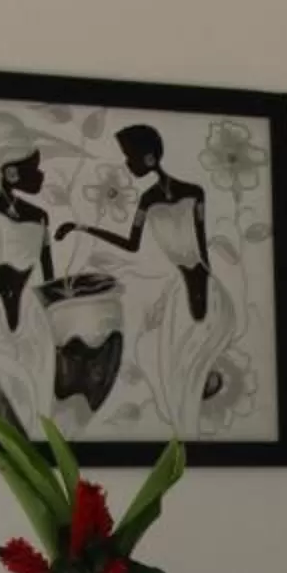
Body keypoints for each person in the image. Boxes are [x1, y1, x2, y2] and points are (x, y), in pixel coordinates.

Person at [72, 123, 239, 431]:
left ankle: (196, 399)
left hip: (198, 285)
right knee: (156, 352)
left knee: (175, 354)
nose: (126, 163)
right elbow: (131, 244)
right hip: (183, 287)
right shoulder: (147, 200)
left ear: (149, 159)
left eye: (130, 156)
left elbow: (201, 248)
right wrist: (85, 228)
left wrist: (202, 289)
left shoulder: (195, 193)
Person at [0, 111, 84, 331]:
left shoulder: (40, 215)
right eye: (33, 168)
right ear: (11, 173)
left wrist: (50, 306)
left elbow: (47, 266)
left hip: (31, 304)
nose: (40, 175)